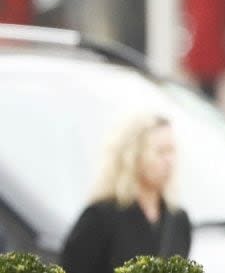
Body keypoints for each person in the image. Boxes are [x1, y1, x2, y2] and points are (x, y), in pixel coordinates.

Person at [61, 114, 191, 273]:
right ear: (133, 156)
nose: (169, 160)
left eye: (171, 151)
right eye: (160, 152)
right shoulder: (100, 217)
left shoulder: (178, 221)